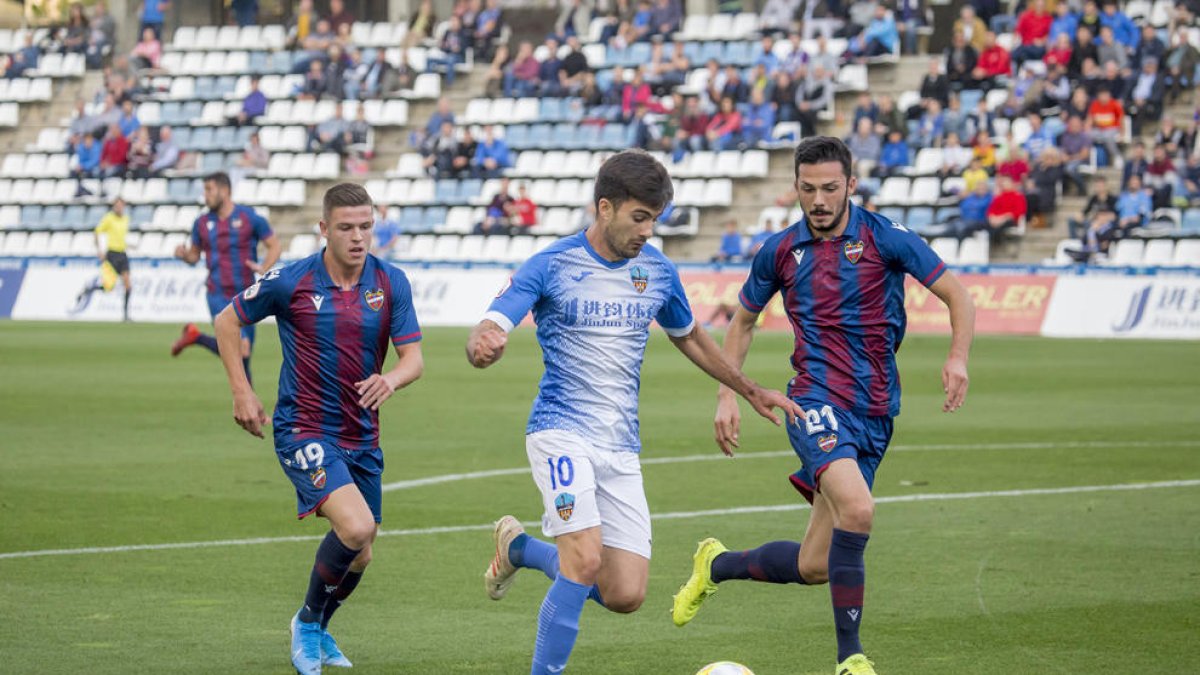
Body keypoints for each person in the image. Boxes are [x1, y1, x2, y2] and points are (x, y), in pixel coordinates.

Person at [468, 149, 801, 675]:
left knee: (625, 592)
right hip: (560, 431)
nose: (648, 231)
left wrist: (748, 389)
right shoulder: (553, 264)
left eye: (655, 219)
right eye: (639, 217)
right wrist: (484, 343)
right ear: (605, 208)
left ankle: (521, 549)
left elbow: (690, 335)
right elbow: (492, 323)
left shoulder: (656, 270)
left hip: (620, 446)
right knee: (583, 560)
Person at [670, 137, 976, 675]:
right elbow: (742, 322)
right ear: (795, 187)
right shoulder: (780, 251)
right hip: (813, 400)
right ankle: (850, 658)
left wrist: (957, 357)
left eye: (830, 188)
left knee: (815, 566)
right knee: (858, 510)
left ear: (851, 185)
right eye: (807, 188)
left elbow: (958, 295)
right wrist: (728, 394)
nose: (818, 199)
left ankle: (716, 565)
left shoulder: (886, 238)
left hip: (876, 411)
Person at [213, 183, 423, 675]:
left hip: (362, 435)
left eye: (366, 226)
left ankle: (320, 626)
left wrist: (391, 379)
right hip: (304, 427)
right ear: (324, 229)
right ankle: (307, 624)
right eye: (346, 228)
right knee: (356, 527)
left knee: (362, 554)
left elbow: (413, 358)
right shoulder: (292, 280)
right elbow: (226, 321)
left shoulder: (390, 282)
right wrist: (242, 391)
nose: (358, 237)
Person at [170, 172, 281, 385]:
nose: (205, 195)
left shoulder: (249, 217)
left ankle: (196, 337)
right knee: (241, 348)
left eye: (209, 190)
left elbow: (274, 245)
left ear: (225, 190)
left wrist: (264, 268)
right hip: (217, 293)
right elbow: (194, 256)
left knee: (243, 359)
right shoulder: (202, 222)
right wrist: (183, 255)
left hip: (247, 294)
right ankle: (197, 338)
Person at [74, 198, 133, 320]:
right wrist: (99, 250)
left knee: (128, 285)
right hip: (112, 254)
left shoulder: (126, 219)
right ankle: (88, 289)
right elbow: (97, 232)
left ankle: (126, 315)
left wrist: (129, 245)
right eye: (117, 205)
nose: (119, 208)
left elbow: (121, 237)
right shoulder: (108, 218)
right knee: (108, 287)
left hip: (122, 254)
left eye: (121, 205)